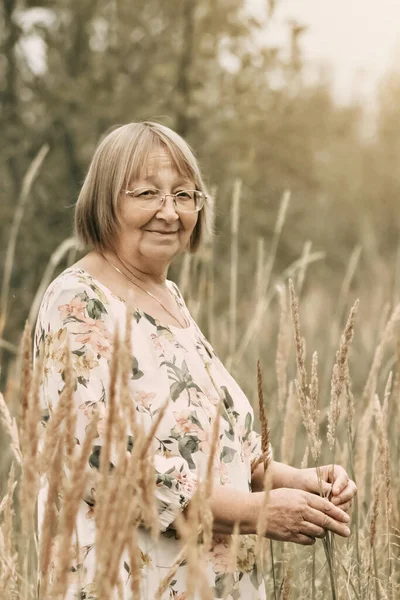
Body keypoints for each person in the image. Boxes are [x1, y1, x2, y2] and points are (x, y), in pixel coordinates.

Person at [35, 121, 357, 599]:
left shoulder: (169, 298)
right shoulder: (79, 302)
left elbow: (219, 450)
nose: (170, 212)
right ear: (105, 200)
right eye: (148, 192)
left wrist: (299, 481)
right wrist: (257, 513)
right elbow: (111, 469)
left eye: (185, 195)